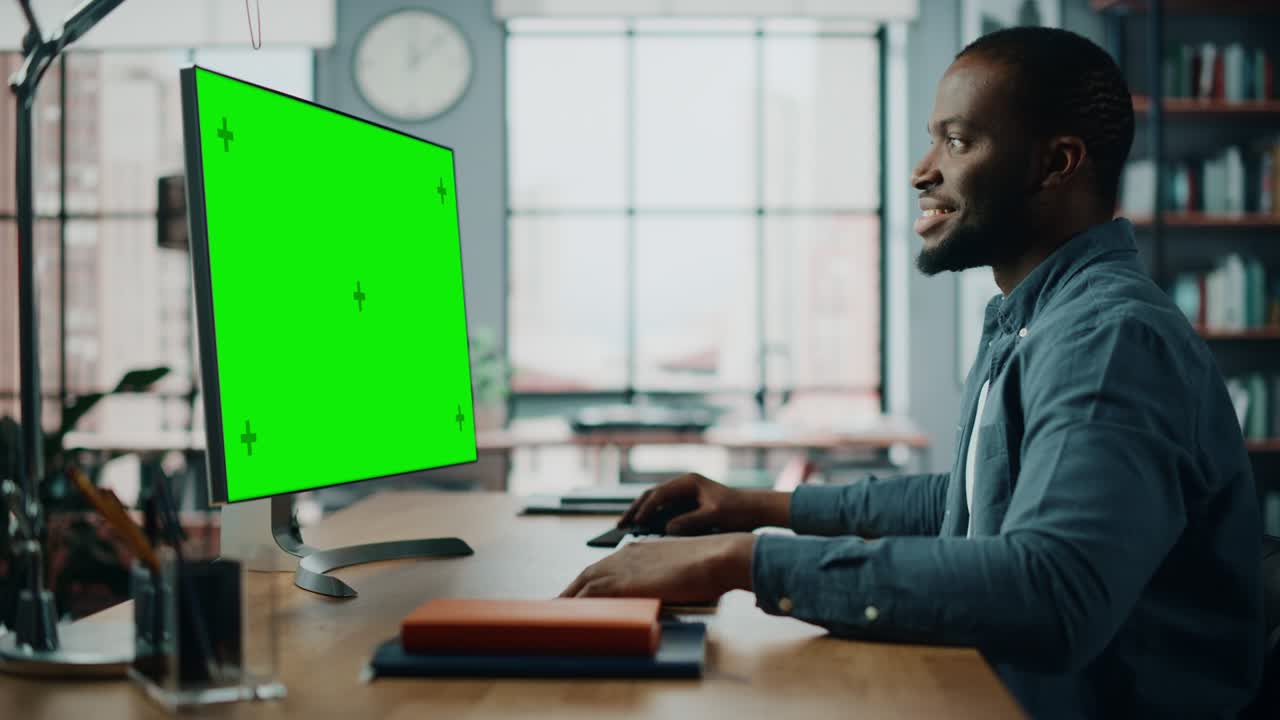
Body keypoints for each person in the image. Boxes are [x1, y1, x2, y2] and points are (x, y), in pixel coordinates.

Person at [561, 26, 1263, 717]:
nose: (922, 170)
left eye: (956, 142)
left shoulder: (1109, 340)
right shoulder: (1038, 317)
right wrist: (753, 509)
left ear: (1056, 164)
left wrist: (742, 563)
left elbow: (1053, 591)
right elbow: (970, 498)